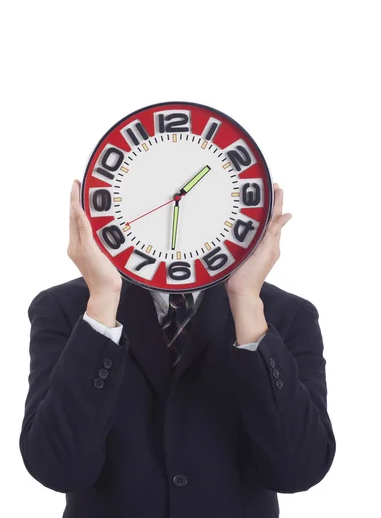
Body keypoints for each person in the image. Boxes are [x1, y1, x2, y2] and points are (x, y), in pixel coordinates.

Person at [19, 179, 336, 518]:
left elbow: (298, 470)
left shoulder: (289, 316)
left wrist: (246, 303)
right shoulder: (65, 308)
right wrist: (103, 302)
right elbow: (58, 469)